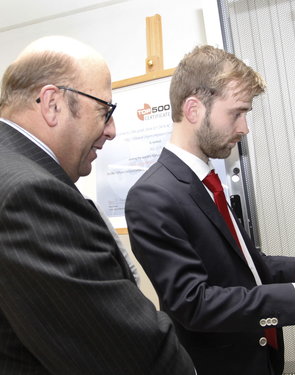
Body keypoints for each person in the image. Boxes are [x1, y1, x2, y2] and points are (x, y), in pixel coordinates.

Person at [125, 45, 295, 375]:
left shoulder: (206, 180)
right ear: (194, 109)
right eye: (236, 113)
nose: (244, 128)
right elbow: (195, 304)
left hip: (260, 358)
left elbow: (246, 268)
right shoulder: (152, 196)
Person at [0, 36, 195, 375]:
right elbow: (124, 350)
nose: (112, 131)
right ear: (52, 104)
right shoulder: (30, 194)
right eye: (105, 111)